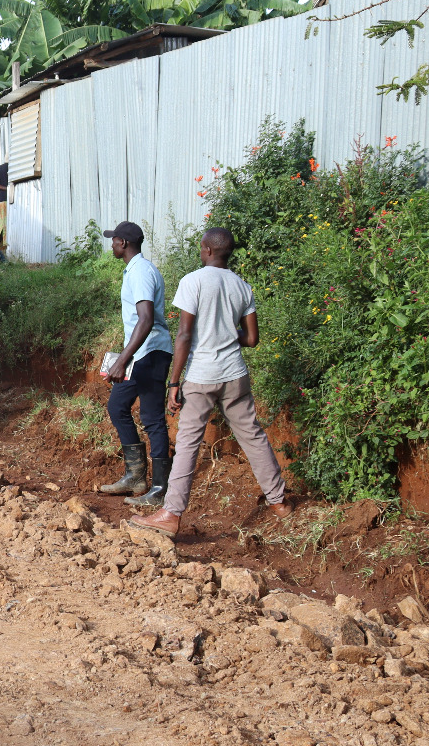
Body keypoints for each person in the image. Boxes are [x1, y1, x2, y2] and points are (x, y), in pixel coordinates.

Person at [131, 229, 293, 535]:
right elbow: (253, 338)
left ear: (206, 250)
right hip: (234, 374)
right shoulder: (242, 286)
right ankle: (279, 502)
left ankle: (171, 513)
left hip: (201, 376)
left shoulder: (193, 281)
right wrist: (228, 336)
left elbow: (184, 335)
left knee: (189, 443)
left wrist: (174, 382)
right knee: (253, 436)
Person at [99, 221, 174, 506]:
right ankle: (136, 477)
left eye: (114, 239)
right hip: (144, 353)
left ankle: (159, 489)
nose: (112, 244)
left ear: (124, 243)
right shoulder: (136, 270)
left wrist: (123, 359)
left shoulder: (141, 272)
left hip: (151, 353)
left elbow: (146, 319)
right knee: (118, 406)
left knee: (153, 418)